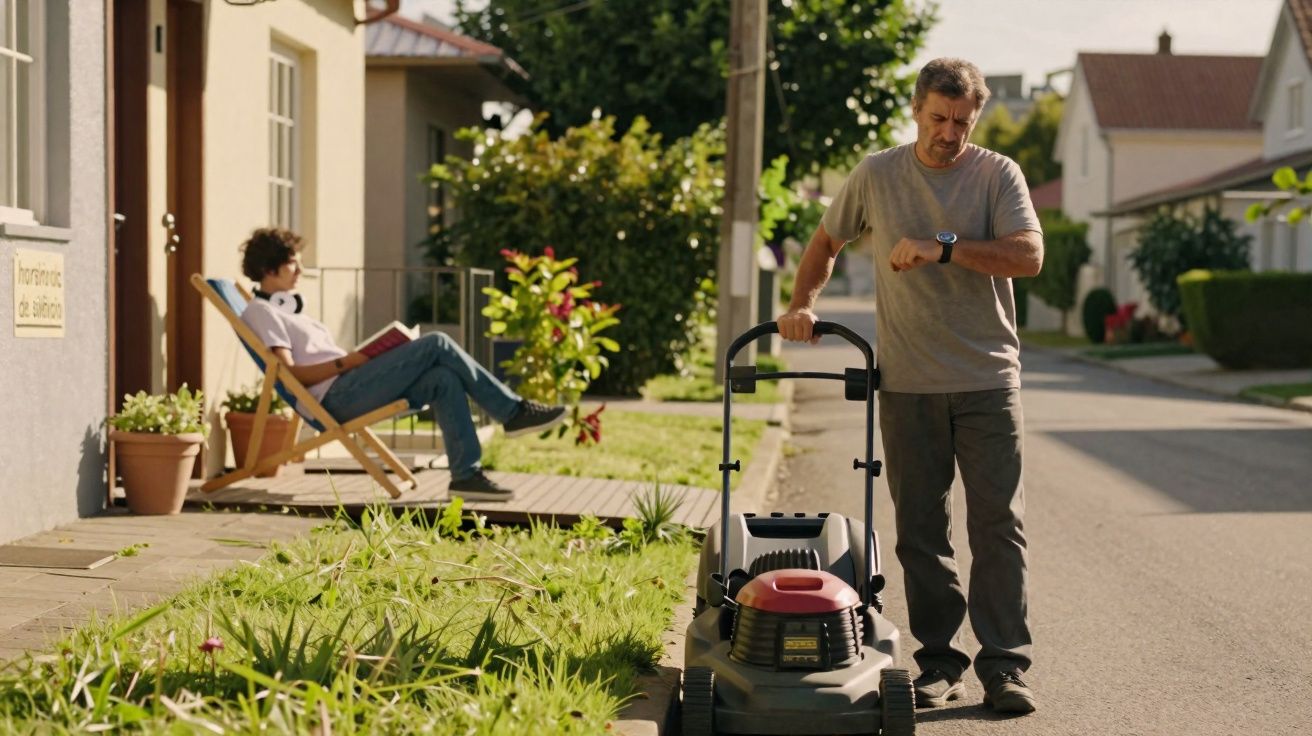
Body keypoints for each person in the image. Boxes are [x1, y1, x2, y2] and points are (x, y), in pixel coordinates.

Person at [777, 58, 1043, 715]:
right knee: (921, 531)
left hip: (986, 379)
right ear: (917, 108)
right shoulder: (876, 174)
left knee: (998, 525)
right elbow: (824, 242)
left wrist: (944, 246)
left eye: (962, 121)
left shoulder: (996, 174)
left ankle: (1004, 667)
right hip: (907, 383)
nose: (949, 133)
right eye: (938, 118)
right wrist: (802, 302)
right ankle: (939, 663)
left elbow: (1028, 255)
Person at [237, 227, 565, 502]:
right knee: (436, 342)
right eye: (293, 263)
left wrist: (361, 358)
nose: (300, 270)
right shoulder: (262, 312)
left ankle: (466, 476)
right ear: (269, 269)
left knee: (443, 378)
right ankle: (512, 412)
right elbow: (292, 374)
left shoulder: (289, 311)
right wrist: (348, 361)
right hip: (336, 397)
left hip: (350, 383)